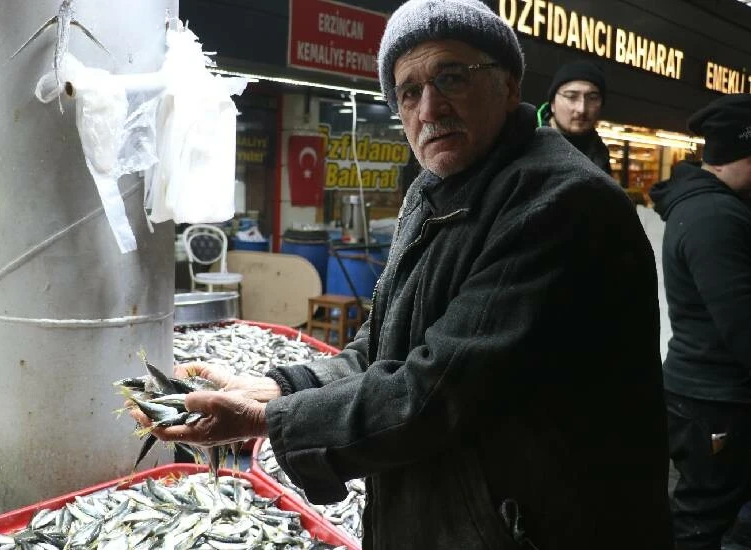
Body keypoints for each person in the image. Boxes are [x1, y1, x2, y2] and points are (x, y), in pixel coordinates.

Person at [132, 0, 673, 547]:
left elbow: (437, 390)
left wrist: (269, 419)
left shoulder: (560, 202)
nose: (429, 107)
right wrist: (280, 386)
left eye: (452, 78)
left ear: (509, 86)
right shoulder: (435, 190)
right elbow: (385, 346)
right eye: (408, 92)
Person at [650, 93, 751, 550]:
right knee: (703, 520)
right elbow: (742, 322)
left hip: (709, 394)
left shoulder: (714, 206)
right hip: (716, 398)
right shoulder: (714, 216)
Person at [538, 60, 612, 174]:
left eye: (592, 98)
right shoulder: (526, 142)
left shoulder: (600, 153)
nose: (581, 109)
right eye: (571, 96)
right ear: (552, 103)